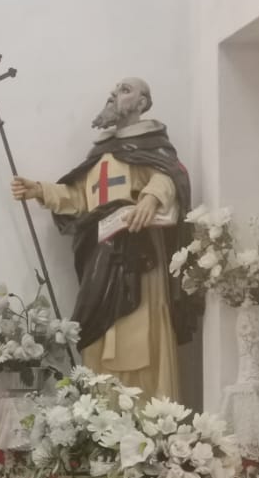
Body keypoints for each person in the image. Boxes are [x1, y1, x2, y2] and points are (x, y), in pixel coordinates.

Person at [11, 77, 198, 400]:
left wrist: (151, 198)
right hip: (100, 259)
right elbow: (77, 196)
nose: (113, 94)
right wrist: (39, 190)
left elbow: (169, 178)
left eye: (125, 90)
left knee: (139, 333)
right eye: (114, 90)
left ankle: (148, 415)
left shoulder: (152, 147)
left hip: (139, 260)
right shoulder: (100, 154)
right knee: (98, 333)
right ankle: (102, 415)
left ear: (142, 103)